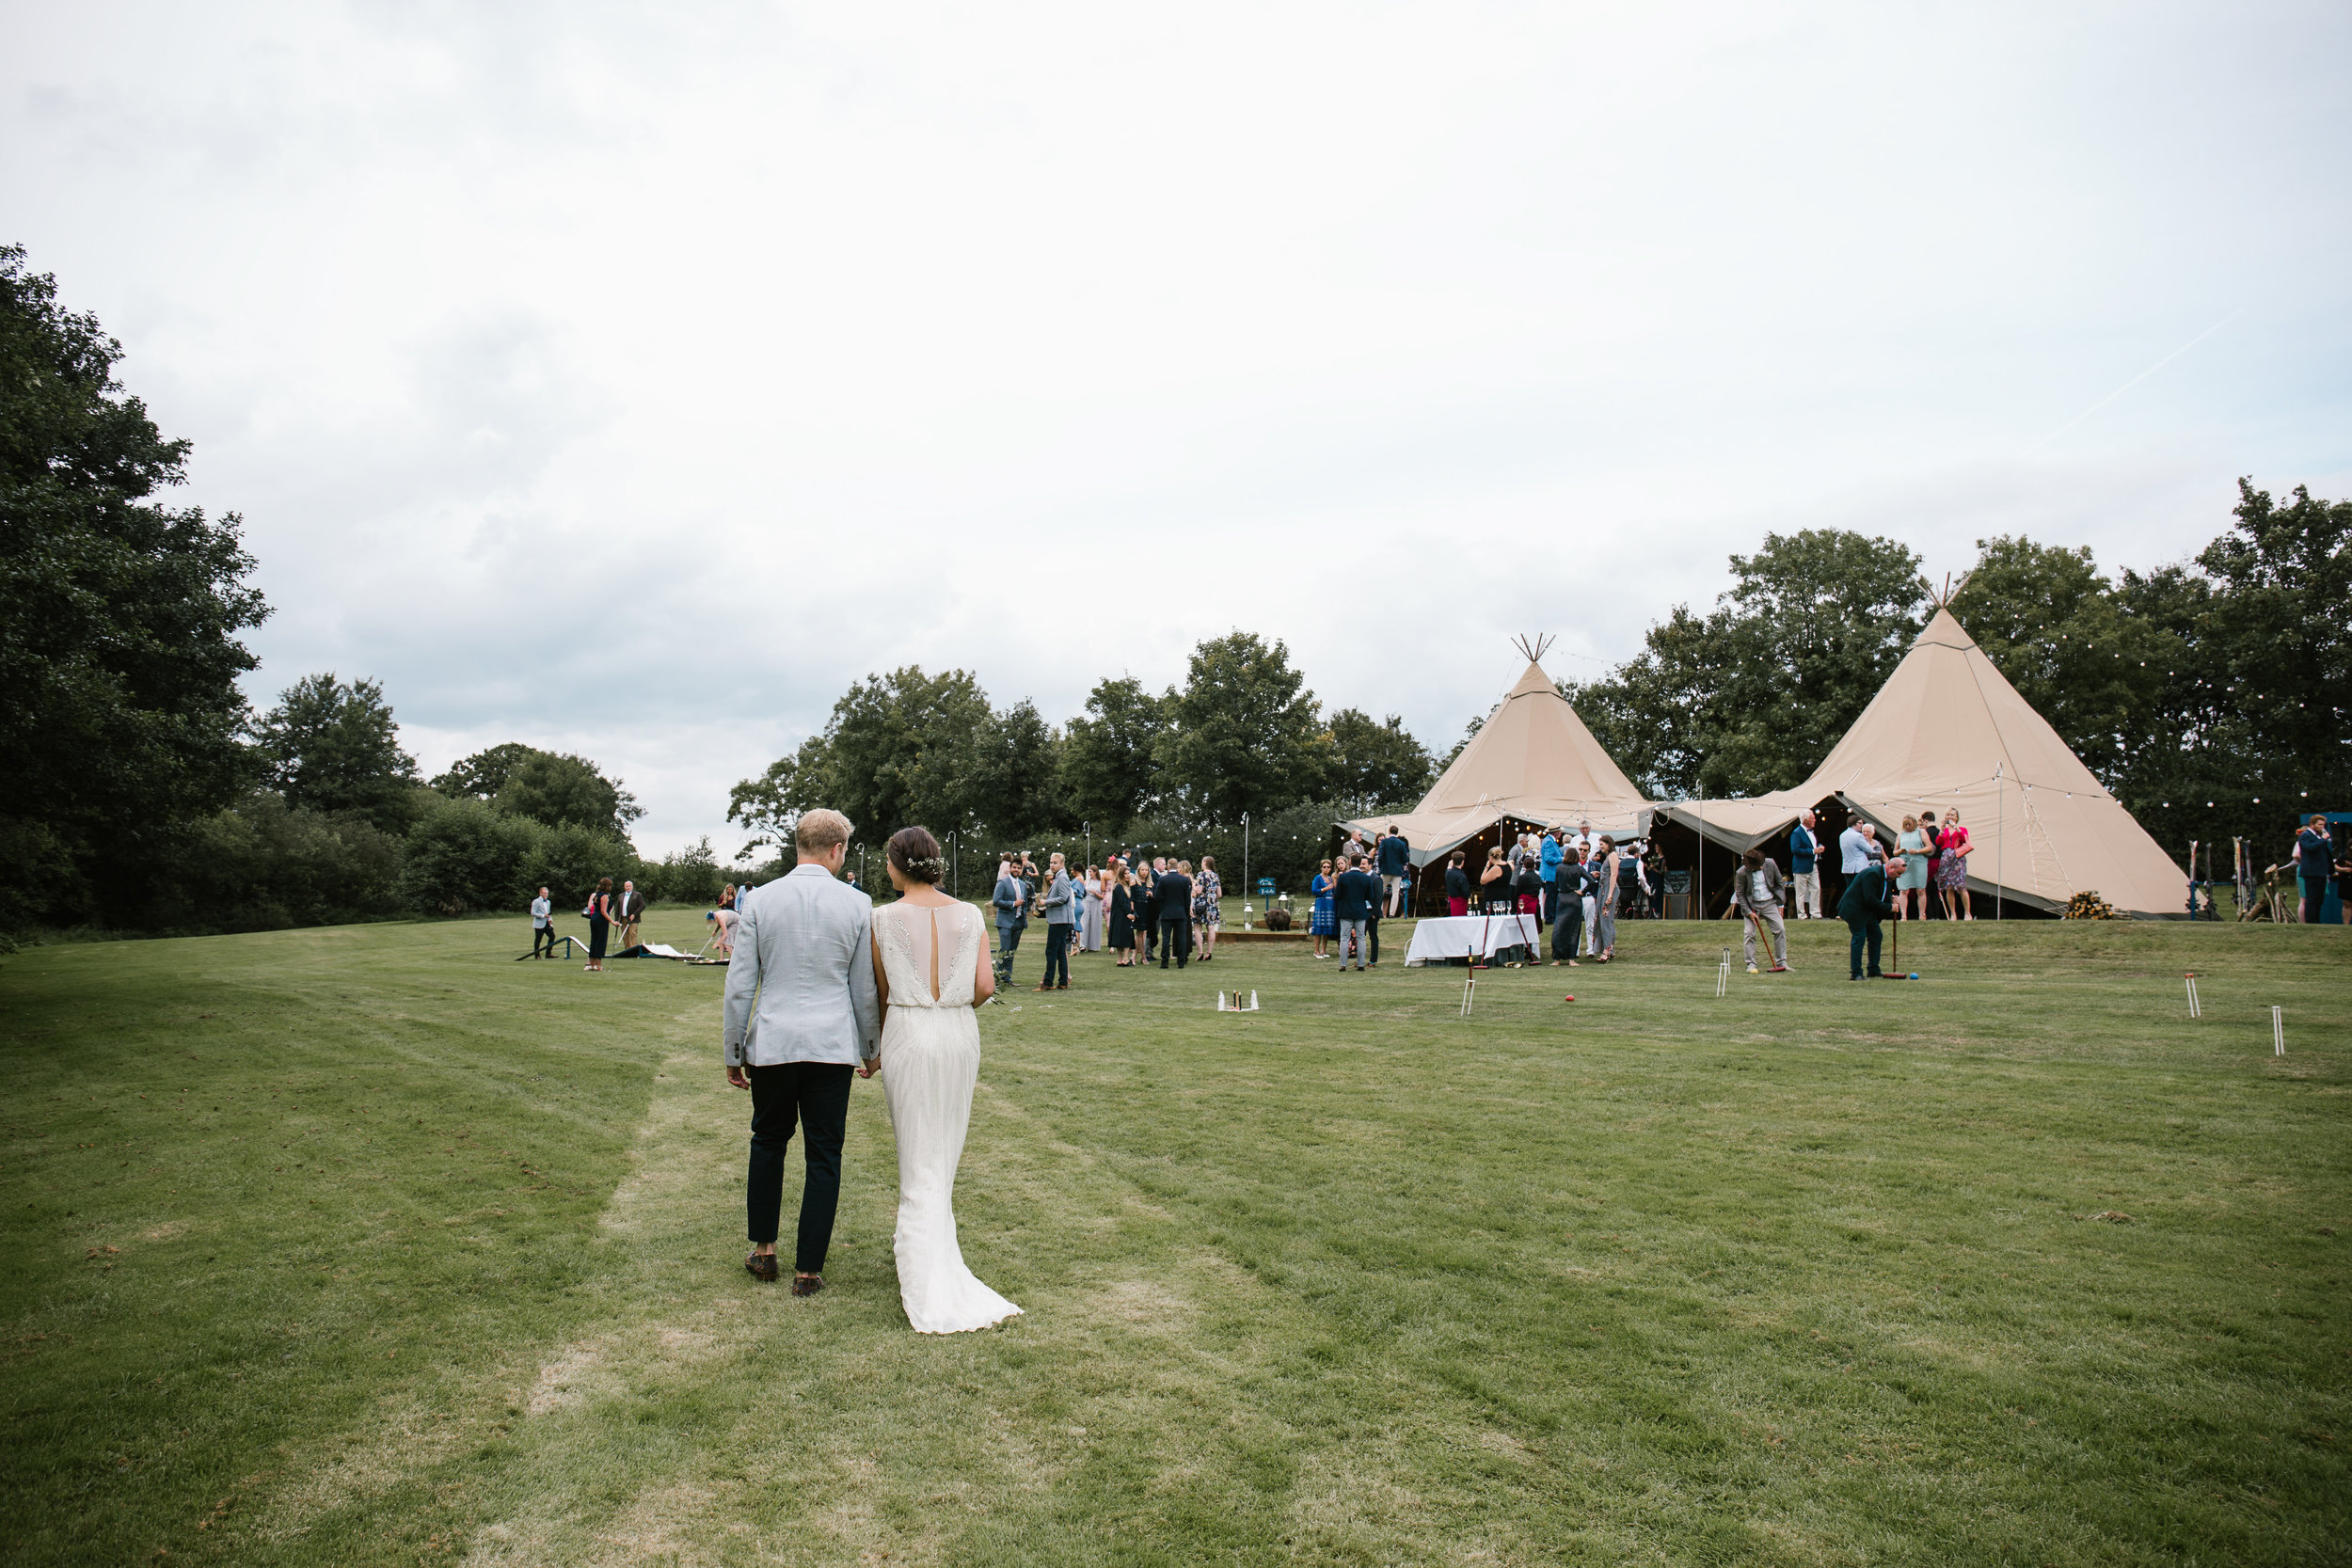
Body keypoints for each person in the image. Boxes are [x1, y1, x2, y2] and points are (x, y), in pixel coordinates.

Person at [866, 826, 1021, 1334]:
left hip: (908, 1030)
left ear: (896, 864)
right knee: (943, 1153)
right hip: (957, 1033)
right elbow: (983, 986)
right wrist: (952, 1002)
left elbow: (883, 992)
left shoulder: (882, 919)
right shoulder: (972, 914)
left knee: (917, 1154)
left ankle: (928, 1278)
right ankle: (935, 1262)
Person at [723, 808, 881, 1296]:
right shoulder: (857, 904)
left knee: (768, 1142)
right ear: (837, 851)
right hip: (831, 1046)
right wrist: (870, 1048)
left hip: (772, 1042)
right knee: (824, 1154)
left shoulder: (761, 901)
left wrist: (733, 1049)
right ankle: (808, 1269)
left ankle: (765, 1251)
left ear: (799, 846)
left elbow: (739, 985)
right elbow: (864, 990)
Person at [1839, 850, 1900, 979]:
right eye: (1898, 873)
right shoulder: (1872, 874)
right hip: (1855, 909)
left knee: (1876, 935)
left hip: (1866, 911)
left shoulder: (1887, 877)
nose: (1898, 876)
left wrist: (1891, 899)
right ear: (1891, 867)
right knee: (1859, 937)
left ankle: (1873, 969)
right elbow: (1870, 899)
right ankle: (1856, 973)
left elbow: (1882, 893)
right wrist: (1890, 908)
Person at [1731, 847, 1789, 974]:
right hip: (1752, 906)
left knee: (1780, 929)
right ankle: (1751, 964)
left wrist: (1781, 904)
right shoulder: (1741, 873)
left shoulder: (1770, 863)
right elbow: (1740, 894)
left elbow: (1780, 883)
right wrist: (1749, 912)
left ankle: (1782, 962)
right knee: (1749, 933)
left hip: (1770, 902)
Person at [1333, 853, 1379, 972]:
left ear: (1349, 862)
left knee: (1344, 938)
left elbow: (1337, 895)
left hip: (1346, 911)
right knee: (1361, 938)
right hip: (1360, 911)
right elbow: (1370, 896)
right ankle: (1361, 964)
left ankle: (1343, 964)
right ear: (1360, 863)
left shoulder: (1343, 877)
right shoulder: (1366, 878)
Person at [1036, 851, 1074, 991]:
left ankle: (1047, 982)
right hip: (1060, 919)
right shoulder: (1059, 877)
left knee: (1051, 951)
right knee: (1059, 951)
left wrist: (1046, 902)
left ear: (1062, 864)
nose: (1052, 865)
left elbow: (1064, 897)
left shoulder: (1062, 877)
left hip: (1060, 920)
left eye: (1055, 863)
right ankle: (1063, 981)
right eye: (1051, 863)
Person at [991, 859, 1025, 985]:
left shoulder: (1022, 884)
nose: (1016, 870)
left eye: (1018, 868)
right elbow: (996, 901)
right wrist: (1013, 904)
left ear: (1021, 869)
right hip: (1005, 921)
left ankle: (1007, 978)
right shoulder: (1003, 883)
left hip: (1018, 922)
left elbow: (1024, 903)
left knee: (1011, 952)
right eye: (1014, 867)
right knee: (1004, 950)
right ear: (1010, 868)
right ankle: (998, 977)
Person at [1551, 847, 1588, 965]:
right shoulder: (1578, 868)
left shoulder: (1559, 868)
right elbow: (1592, 881)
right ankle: (1571, 958)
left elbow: (1556, 883)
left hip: (1562, 897)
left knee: (1559, 927)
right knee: (1574, 929)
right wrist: (1583, 891)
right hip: (1575, 898)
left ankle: (1557, 958)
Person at [2296, 815, 2335, 925]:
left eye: (2323, 825)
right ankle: (2310, 922)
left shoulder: (2319, 837)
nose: (2322, 827)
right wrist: (2323, 840)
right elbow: (2310, 848)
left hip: (2321, 872)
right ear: (2312, 825)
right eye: (2320, 824)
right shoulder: (2305, 836)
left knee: (2319, 899)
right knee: (2311, 898)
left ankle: (2317, 921)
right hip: (2311, 872)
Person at [1935, 808, 1973, 920]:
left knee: (1961, 886)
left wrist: (1955, 827)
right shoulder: (1944, 830)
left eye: (1952, 815)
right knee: (1949, 887)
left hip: (1958, 857)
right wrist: (1941, 830)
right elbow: (1938, 842)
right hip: (1946, 858)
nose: (1949, 817)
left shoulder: (1962, 829)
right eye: (1948, 815)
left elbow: (1964, 840)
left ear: (1956, 817)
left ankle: (1967, 913)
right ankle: (1953, 914)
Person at [1156, 860, 1195, 969]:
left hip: (1167, 912)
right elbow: (1187, 899)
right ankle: (1181, 962)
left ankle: (1164, 961)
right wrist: (1184, 909)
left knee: (1166, 938)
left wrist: (1164, 905)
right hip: (1180, 912)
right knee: (1181, 937)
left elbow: (1157, 896)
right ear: (1177, 866)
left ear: (1168, 867)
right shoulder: (1184, 880)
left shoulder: (1163, 879)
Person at [1589, 837, 1618, 961]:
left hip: (1608, 889)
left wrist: (1610, 894)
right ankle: (1607, 948)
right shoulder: (1607, 856)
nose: (1600, 847)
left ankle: (1607, 949)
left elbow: (1614, 875)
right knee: (1601, 918)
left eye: (1602, 844)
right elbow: (1608, 873)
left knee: (1606, 918)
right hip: (1603, 888)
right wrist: (1600, 874)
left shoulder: (1613, 855)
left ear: (1608, 844)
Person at [1896, 816, 1931, 920]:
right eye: (1905, 824)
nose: (1907, 826)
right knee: (1903, 890)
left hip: (1919, 862)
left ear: (1914, 823)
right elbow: (1895, 851)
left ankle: (1922, 915)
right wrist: (1900, 851)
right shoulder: (1901, 834)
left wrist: (1917, 851)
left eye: (1909, 824)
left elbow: (1929, 847)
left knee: (1920, 889)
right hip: (1905, 862)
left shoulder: (1921, 832)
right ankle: (1903, 916)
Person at [1789, 811, 1821, 920]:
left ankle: (1815, 914)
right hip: (1801, 867)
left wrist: (1818, 849)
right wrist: (1813, 851)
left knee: (1816, 888)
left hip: (1813, 865)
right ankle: (1801, 915)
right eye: (1812, 818)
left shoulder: (1811, 832)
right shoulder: (1797, 833)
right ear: (1805, 820)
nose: (1814, 820)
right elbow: (1795, 849)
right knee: (1801, 892)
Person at [1377, 825, 1411, 917]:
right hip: (1397, 870)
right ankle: (1392, 913)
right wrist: (1400, 865)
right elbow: (1405, 858)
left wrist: (1381, 867)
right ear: (1397, 832)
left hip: (1385, 869)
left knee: (1381, 890)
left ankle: (1379, 912)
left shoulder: (1384, 842)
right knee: (1396, 892)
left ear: (1389, 832)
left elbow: (1380, 856)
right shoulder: (1401, 844)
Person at [1194, 855, 1223, 959]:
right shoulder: (1215, 876)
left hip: (1201, 904)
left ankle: (1200, 952)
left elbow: (1198, 890)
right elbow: (1219, 894)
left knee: (1197, 927)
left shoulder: (1201, 875)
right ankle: (1209, 952)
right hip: (1212, 905)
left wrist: (1193, 885)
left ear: (1205, 862)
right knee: (1210, 927)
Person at [1108, 865, 1137, 965]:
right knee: (1125, 936)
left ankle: (1120, 959)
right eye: (1125, 874)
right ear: (1121, 875)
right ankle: (1124, 958)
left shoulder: (1125, 886)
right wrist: (1128, 913)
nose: (1127, 875)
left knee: (1120, 936)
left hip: (1119, 915)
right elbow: (1123, 902)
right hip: (1121, 915)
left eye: (1128, 873)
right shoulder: (1119, 886)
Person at [583, 877, 613, 972]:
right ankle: (599, 965)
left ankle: (592, 965)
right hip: (601, 920)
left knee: (594, 941)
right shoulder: (604, 896)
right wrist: (612, 921)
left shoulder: (596, 895)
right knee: (600, 941)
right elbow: (603, 911)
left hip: (594, 919)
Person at [1309, 859, 1337, 958]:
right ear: (1321, 868)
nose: (1326, 869)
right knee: (1319, 928)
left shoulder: (1331, 878)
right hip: (1321, 903)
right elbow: (1314, 891)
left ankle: (1324, 950)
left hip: (1330, 904)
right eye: (1324, 867)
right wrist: (1325, 888)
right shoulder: (1318, 878)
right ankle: (1316, 951)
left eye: (1328, 867)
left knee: (1327, 928)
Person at [1538, 830, 1565, 924]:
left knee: (1552, 896)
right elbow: (1548, 858)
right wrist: (1561, 859)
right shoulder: (1549, 841)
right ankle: (1549, 918)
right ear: (1556, 832)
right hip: (1550, 874)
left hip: (1552, 874)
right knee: (1551, 896)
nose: (1561, 833)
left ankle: (1551, 917)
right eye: (1560, 831)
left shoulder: (1550, 840)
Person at [614, 879, 646, 949]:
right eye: (627, 886)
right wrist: (616, 920)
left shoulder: (637, 895)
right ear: (624, 887)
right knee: (625, 935)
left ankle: (633, 949)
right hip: (623, 918)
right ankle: (627, 949)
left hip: (633, 919)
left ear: (632, 887)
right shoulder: (621, 896)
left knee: (632, 934)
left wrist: (634, 914)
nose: (628, 888)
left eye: (630, 886)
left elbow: (642, 905)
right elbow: (617, 909)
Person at [1079, 865, 1105, 952]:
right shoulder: (1087, 881)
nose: (1089, 873)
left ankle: (1094, 946)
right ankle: (1082, 945)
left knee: (1095, 923)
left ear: (1095, 872)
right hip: (1086, 902)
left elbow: (1102, 896)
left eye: (1091, 872)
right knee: (1084, 922)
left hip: (1096, 903)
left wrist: (1095, 893)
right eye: (1089, 871)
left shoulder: (1100, 882)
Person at [530, 885, 556, 958]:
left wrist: (550, 919)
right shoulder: (536, 901)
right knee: (538, 939)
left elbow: (548, 912)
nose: (546, 895)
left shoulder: (548, 902)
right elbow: (533, 913)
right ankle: (537, 955)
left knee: (552, 936)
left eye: (547, 893)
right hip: (539, 924)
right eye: (544, 893)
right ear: (540, 893)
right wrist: (543, 916)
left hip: (546, 923)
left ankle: (548, 953)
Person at [1444, 850, 1471, 917]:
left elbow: (1448, 867)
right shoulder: (1461, 876)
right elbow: (1466, 892)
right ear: (1462, 862)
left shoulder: (1448, 872)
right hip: (1460, 903)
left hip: (1451, 901)